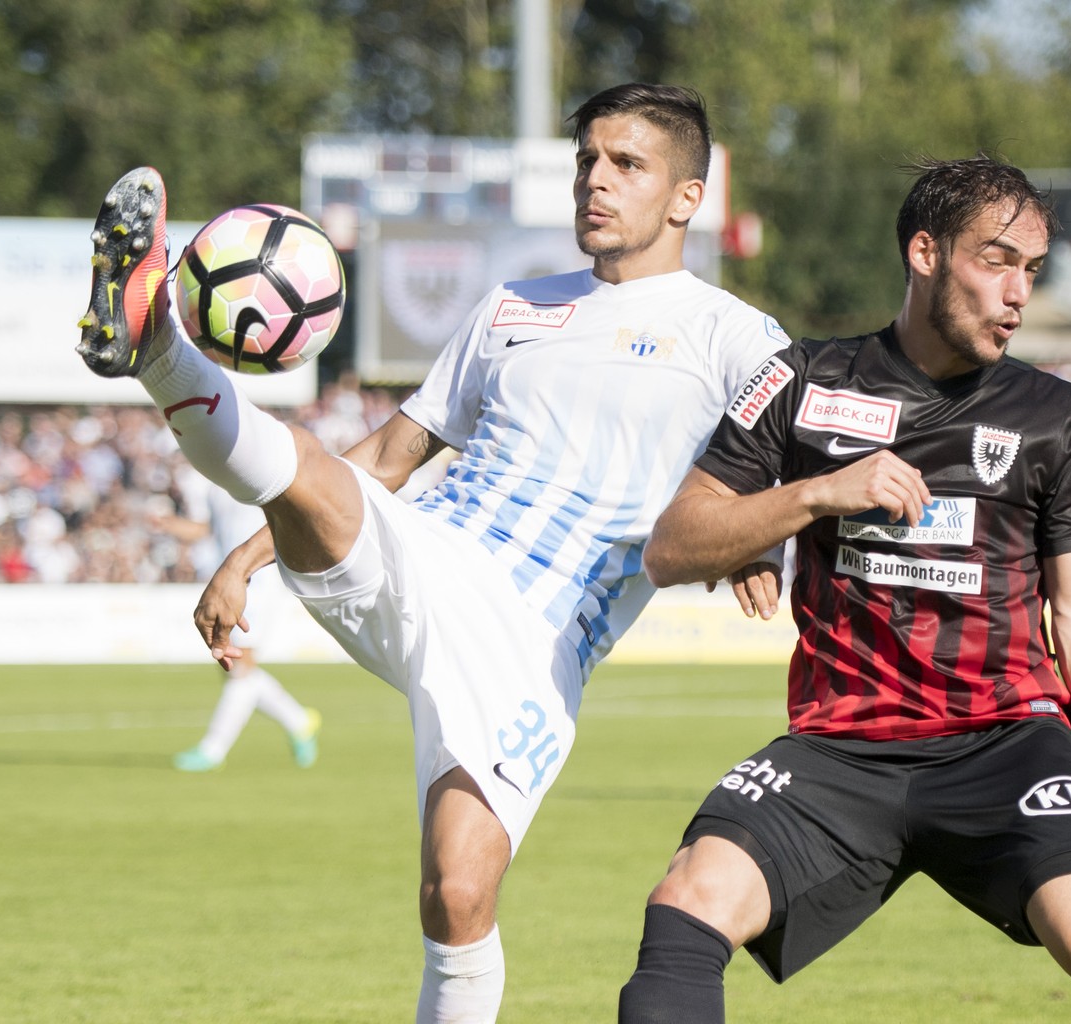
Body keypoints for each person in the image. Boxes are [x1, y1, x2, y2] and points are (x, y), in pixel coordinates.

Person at [74, 83, 790, 1023]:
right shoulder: (514, 306)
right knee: (317, 475)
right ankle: (158, 339)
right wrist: (248, 554)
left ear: (687, 197)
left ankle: (160, 346)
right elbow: (382, 459)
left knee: (458, 894)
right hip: (432, 552)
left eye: (626, 165)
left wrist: (756, 534)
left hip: (536, 642)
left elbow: (785, 468)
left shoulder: (737, 337)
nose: (596, 183)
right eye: (587, 162)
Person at [618, 157, 1071, 1023]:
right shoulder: (802, 380)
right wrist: (814, 495)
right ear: (924, 252)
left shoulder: (1053, 415)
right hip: (841, 748)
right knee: (685, 903)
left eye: (1032, 270)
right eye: (997, 260)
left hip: (1006, 743)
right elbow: (672, 546)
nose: (1018, 292)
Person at [151, 468, 321, 772]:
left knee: (239, 666)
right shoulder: (217, 486)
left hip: (261, 580)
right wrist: (171, 525)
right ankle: (298, 720)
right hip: (229, 581)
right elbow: (209, 530)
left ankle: (213, 749)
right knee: (235, 668)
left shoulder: (260, 472)